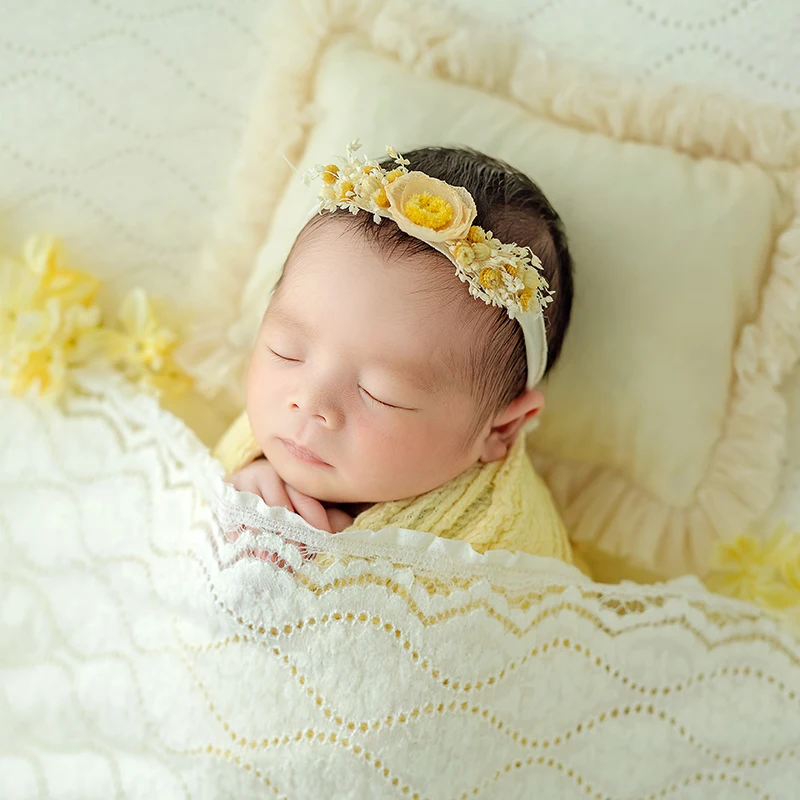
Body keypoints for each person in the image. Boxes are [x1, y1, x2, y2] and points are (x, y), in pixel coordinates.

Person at [215, 142, 574, 562]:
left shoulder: (498, 548)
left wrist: (348, 569)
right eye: (287, 352)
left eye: (383, 394)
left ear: (500, 430)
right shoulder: (269, 433)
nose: (310, 401)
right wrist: (233, 497)